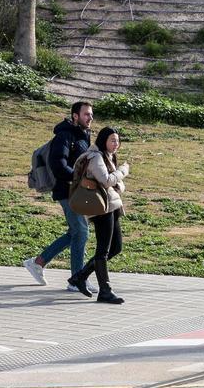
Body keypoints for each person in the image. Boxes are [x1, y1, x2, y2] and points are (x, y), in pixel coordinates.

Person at [23, 101, 96, 294]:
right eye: (86, 114)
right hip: (66, 191)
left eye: (91, 114)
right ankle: (76, 280)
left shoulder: (84, 136)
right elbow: (58, 165)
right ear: (75, 116)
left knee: (75, 232)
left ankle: (38, 262)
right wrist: (79, 179)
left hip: (78, 191)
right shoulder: (64, 136)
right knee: (81, 231)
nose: (90, 117)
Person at [67, 127, 129, 304]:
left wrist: (118, 180)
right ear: (103, 140)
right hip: (100, 208)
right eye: (112, 140)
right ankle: (105, 291)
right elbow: (107, 180)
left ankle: (80, 276)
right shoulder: (96, 157)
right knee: (103, 250)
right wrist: (123, 171)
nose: (116, 144)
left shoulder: (108, 156)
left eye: (117, 141)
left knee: (115, 248)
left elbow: (116, 184)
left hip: (112, 206)